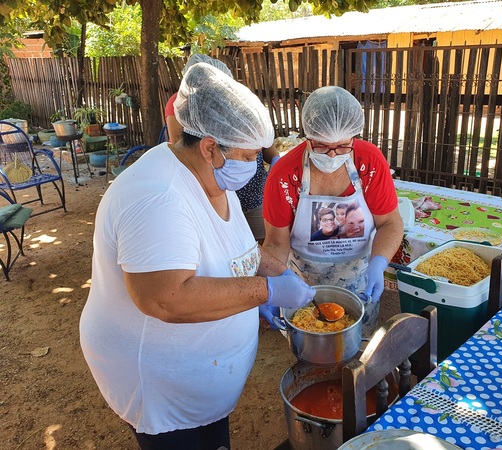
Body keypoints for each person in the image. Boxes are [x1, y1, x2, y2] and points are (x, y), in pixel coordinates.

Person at [79, 62, 315, 450]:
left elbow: (238, 249)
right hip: (159, 383)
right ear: (210, 147)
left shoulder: (213, 178)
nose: (255, 164)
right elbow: (165, 298)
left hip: (202, 382)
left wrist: (286, 277)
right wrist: (264, 292)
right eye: (248, 154)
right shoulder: (160, 196)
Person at [262, 86, 404, 337]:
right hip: (302, 286)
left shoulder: (369, 162)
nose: (332, 154)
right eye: (321, 146)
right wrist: (270, 284)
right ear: (308, 136)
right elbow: (275, 243)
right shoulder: (284, 175)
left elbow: (390, 222)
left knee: (357, 353)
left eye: (342, 146)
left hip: (361, 281)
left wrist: (378, 263)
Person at [164, 53, 279, 243]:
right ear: (209, 149)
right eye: (248, 157)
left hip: (251, 191)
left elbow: (247, 253)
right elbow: (177, 140)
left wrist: (275, 160)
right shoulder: (176, 197)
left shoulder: (223, 188)